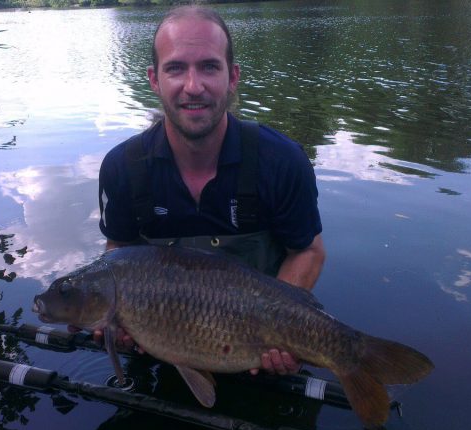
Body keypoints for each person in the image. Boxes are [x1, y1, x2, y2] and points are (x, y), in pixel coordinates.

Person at [97, 6, 326, 375]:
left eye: (209, 66)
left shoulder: (283, 161)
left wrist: (279, 329)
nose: (193, 86)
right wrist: (120, 321)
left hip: (256, 349)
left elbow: (309, 251)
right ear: (154, 80)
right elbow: (118, 251)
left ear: (232, 77)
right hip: (161, 346)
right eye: (175, 68)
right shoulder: (122, 168)